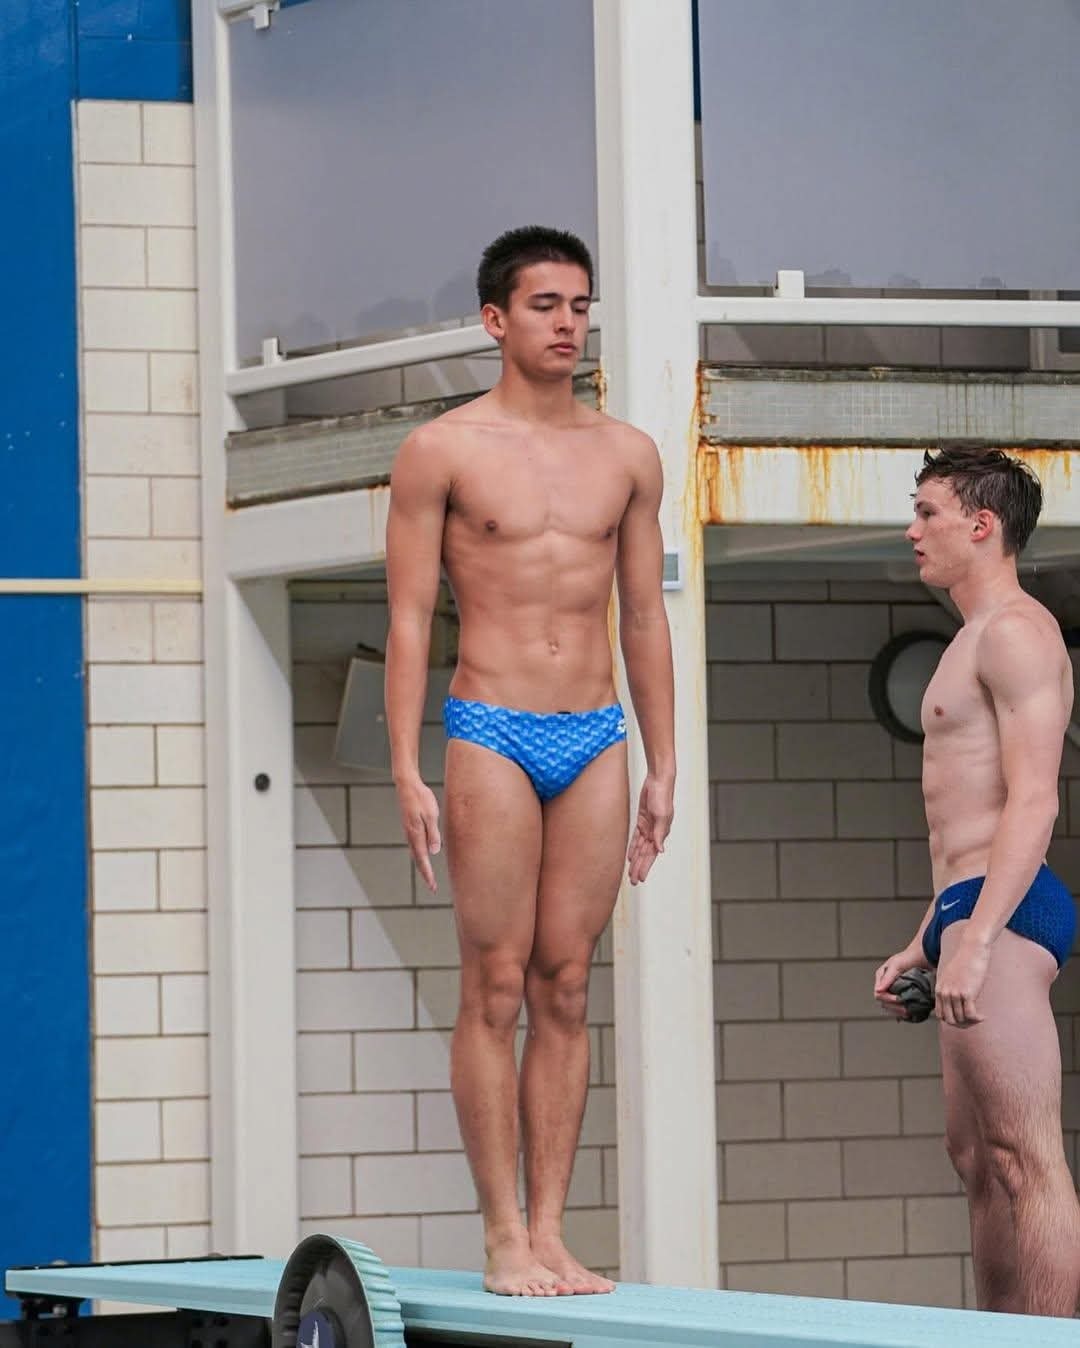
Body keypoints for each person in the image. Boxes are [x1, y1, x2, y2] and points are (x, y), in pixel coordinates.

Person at [384, 226, 675, 1296]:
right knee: (496, 980)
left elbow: (643, 614)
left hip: (595, 731)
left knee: (568, 981)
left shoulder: (628, 453)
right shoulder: (442, 450)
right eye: (546, 305)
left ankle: (551, 1230)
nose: (568, 324)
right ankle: (502, 1233)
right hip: (491, 728)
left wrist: (665, 762)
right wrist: (405, 766)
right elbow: (409, 618)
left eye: (581, 306)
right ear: (495, 319)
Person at [873, 443, 1080, 1317]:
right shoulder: (969, 639)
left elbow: (1035, 800)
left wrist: (981, 939)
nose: (913, 530)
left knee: (1026, 1157)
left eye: (928, 513)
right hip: (967, 905)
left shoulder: (1016, 634)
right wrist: (926, 939)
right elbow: (966, 822)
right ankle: (999, 1336)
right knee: (977, 1160)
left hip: (1009, 910)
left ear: (982, 525)